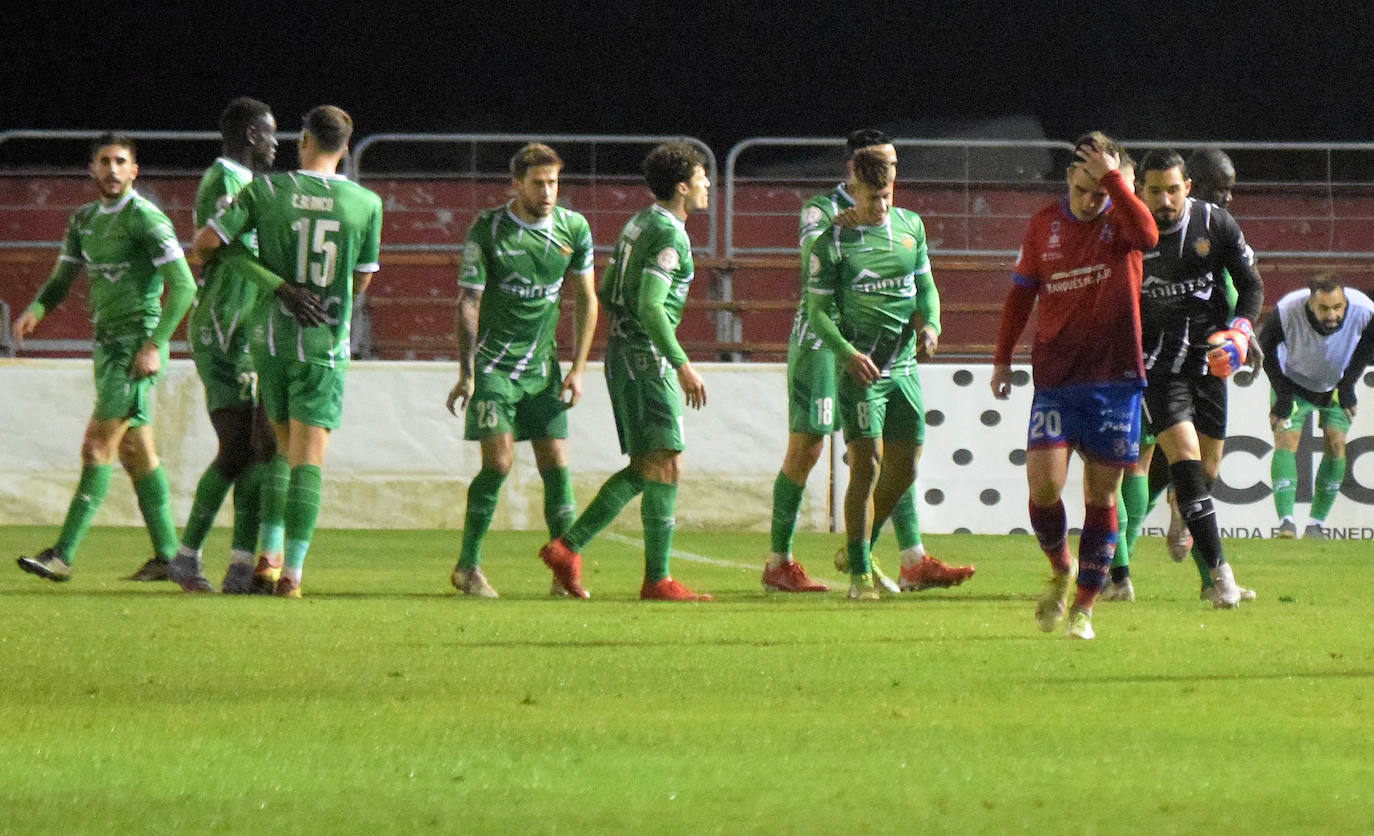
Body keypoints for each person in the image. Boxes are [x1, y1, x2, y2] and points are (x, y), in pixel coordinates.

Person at [766, 129, 973, 594]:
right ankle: (779, 560)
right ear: (854, 170)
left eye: (894, 166)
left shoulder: (901, 221)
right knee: (811, 447)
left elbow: (922, 284)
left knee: (894, 453)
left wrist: (929, 324)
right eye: (882, 163)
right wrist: (841, 228)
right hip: (822, 343)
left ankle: (909, 557)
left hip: (885, 349)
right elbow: (813, 271)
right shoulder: (822, 212)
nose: (890, 173)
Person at [191, 104, 381, 598]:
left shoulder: (267, 190)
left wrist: (278, 285)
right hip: (324, 343)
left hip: (270, 340)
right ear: (345, 146)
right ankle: (291, 573)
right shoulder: (366, 203)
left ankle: (266, 557)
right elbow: (362, 279)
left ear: (304, 140)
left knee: (277, 449)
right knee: (307, 459)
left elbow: (206, 243)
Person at [990, 132, 1157, 639]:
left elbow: (1149, 235)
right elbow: (1021, 296)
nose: (1090, 200)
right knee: (1043, 486)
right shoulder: (1043, 224)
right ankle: (1060, 565)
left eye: (1099, 190)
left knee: (1102, 496)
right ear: (1068, 179)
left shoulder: (1121, 220)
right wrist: (1002, 359)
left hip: (1114, 378)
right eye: (1082, 189)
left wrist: (1114, 184)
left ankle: (1084, 608)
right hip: (1056, 378)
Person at [13, 134, 196, 582]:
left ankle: (62, 555)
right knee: (136, 452)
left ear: (134, 170)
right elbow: (61, 279)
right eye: (104, 161)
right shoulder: (83, 220)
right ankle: (170, 558)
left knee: (97, 446)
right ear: (92, 168)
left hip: (135, 348)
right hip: (106, 345)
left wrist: (154, 344)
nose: (112, 169)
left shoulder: (146, 218)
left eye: (120, 161)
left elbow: (184, 286)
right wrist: (36, 309)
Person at [538, 141, 711, 601]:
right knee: (664, 462)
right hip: (646, 358)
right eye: (701, 177)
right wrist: (681, 364)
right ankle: (650, 577)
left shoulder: (640, 222)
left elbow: (611, 286)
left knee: (652, 465)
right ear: (682, 187)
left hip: (625, 353)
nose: (708, 184)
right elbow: (651, 305)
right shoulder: (671, 235)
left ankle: (575, 551)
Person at [444, 143, 598, 598]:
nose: (548, 191)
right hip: (494, 368)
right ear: (516, 184)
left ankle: (564, 572)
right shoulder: (488, 229)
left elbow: (587, 299)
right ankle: (467, 566)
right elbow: (468, 302)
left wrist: (578, 369)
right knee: (499, 462)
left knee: (556, 464)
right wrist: (467, 372)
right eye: (538, 183)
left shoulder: (574, 228)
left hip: (542, 368)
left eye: (553, 182)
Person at [803, 148, 941, 600]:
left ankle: (857, 547)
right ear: (853, 190)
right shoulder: (833, 242)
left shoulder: (910, 227)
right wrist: (845, 354)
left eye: (887, 196)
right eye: (871, 198)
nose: (880, 206)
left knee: (906, 466)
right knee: (866, 467)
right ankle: (860, 574)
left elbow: (925, 287)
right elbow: (817, 312)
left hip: (904, 367)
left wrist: (932, 325)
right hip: (861, 370)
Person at [1135, 147, 1263, 607]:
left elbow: (1250, 285)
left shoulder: (1215, 224)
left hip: (1209, 362)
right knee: (1185, 461)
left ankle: (1177, 527)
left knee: (1205, 472)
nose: (1164, 200)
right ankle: (1220, 577)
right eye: (1155, 191)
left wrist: (1241, 332)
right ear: (1140, 190)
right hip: (1155, 366)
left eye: (1173, 190)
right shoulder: (1131, 233)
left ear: (1187, 187)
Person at [167, 97, 280, 594]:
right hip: (224, 328)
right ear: (253, 134)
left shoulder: (250, 184)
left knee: (258, 450)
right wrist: (280, 287)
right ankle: (186, 557)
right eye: (271, 134)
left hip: (250, 330)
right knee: (237, 449)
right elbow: (219, 250)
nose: (276, 144)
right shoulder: (224, 180)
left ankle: (239, 566)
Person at [1260, 274, 1374, 538]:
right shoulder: (1288, 310)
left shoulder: (1365, 309)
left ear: (1345, 302)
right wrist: (1283, 395)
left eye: (1337, 307)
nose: (1332, 315)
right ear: (1310, 304)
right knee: (1286, 440)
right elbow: (1266, 350)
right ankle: (1286, 523)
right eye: (1324, 308)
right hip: (1292, 383)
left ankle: (1316, 525)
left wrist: (1348, 385)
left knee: (1337, 444)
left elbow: (1369, 344)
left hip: (1335, 385)